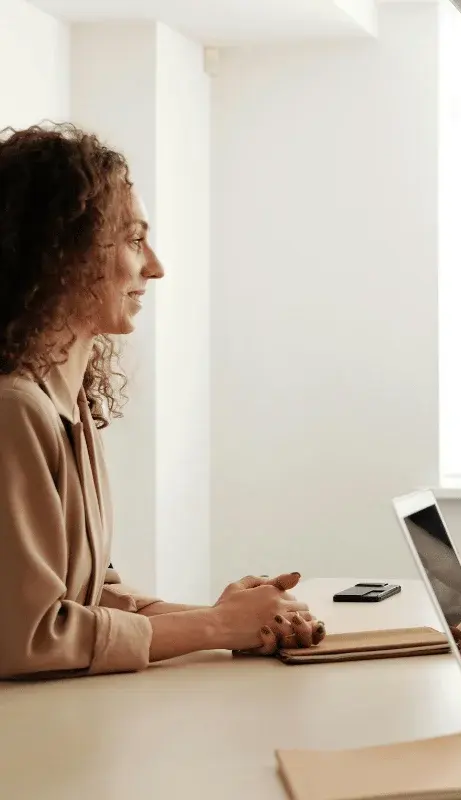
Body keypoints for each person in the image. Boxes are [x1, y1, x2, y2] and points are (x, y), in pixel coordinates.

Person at [0, 124, 324, 681]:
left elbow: (95, 595)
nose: (155, 265)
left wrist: (238, 617)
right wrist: (217, 627)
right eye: (133, 239)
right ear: (60, 253)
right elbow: (27, 637)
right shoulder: (14, 411)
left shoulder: (69, 403)